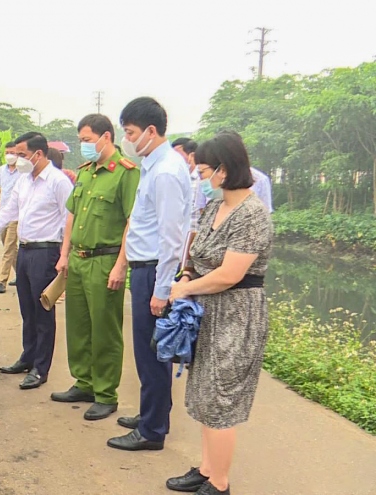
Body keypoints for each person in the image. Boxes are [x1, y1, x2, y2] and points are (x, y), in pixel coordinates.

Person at [165, 131, 273, 495]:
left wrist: (186, 288)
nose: (200, 178)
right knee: (204, 392)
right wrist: (187, 274)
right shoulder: (215, 206)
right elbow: (198, 255)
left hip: (237, 315)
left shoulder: (252, 214)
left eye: (204, 170)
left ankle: (220, 483)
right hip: (207, 312)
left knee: (222, 398)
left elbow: (230, 274)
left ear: (224, 170)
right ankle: (207, 468)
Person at [107, 97, 191, 451]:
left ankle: (152, 430)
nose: (126, 139)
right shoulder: (152, 167)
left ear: (151, 131)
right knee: (147, 350)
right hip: (143, 269)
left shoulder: (168, 171)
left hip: (154, 272)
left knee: (152, 353)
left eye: (129, 132)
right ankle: (151, 415)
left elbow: (172, 238)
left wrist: (162, 289)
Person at [52, 114, 140, 421]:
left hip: (105, 260)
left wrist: (120, 266)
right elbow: (72, 216)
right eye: (81, 140)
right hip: (78, 257)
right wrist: (64, 254)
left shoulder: (125, 173)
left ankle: (105, 393)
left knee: (105, 329)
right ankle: (84, 382)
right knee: (78, 325)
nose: (83, 146)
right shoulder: (85, 172)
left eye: (87, 140)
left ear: (106, 137)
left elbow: (132, 221)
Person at [0, 132, 73, 390]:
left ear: (38, 154)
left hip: (46, 252)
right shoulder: (23, 181)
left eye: (21, 154)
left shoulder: (58, 182)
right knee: (27, 309)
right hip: (25, 250)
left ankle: (41, 368)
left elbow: (68, 220)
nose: (16, 159)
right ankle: (27, 357)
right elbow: (8, 211)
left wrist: (64, 256)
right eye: (15, 154)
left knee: (43, 312)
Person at [0, 141, 21, 294]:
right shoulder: (1, 170)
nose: (10, 155)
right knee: (10, 247)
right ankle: (21, 274)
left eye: (13, 152)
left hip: (16, 216)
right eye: (7, 153)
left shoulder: (23, 172)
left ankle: (1, 280)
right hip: (2, 214)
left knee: (8, 247)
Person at [173, 137, 207, 234]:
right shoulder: (177, 180)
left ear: (191, 155)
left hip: (197, 238)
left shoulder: (202, 180)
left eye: (178, 156)